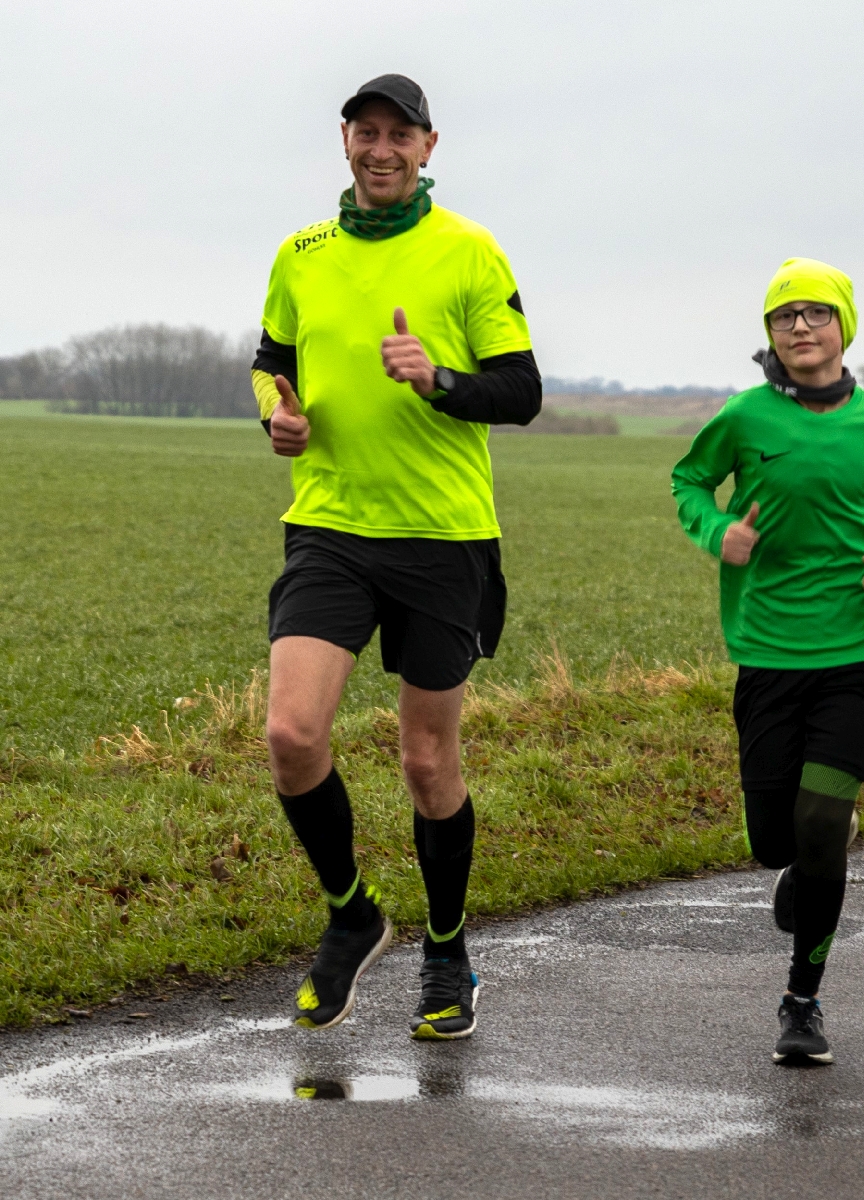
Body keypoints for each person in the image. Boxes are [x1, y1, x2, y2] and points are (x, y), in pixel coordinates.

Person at [252, 74, 541, 1040]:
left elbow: (522, 390)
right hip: (330, 526)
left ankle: (449, 951)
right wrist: (277, 416)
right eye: (365, 132)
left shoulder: (468, 249)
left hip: (442, 538)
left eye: (400, 136)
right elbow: (271, 358)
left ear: (428, 147)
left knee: (426, 761)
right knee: (292, 736)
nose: (381, 149)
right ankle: (352, 914)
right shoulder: (302, 252)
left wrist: (440, 378)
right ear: (344, 142)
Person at [671, 258, 864, 1064]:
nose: (799, 328)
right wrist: (721, 533)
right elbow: (689, 482)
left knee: (818, 825)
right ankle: (819, 844)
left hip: (859, 648)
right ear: (770, 335)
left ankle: (803, 1000)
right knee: (771, 843)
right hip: (768, 650)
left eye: (816, 314)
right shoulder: (745, 418)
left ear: (843, 327)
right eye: (784, 317)